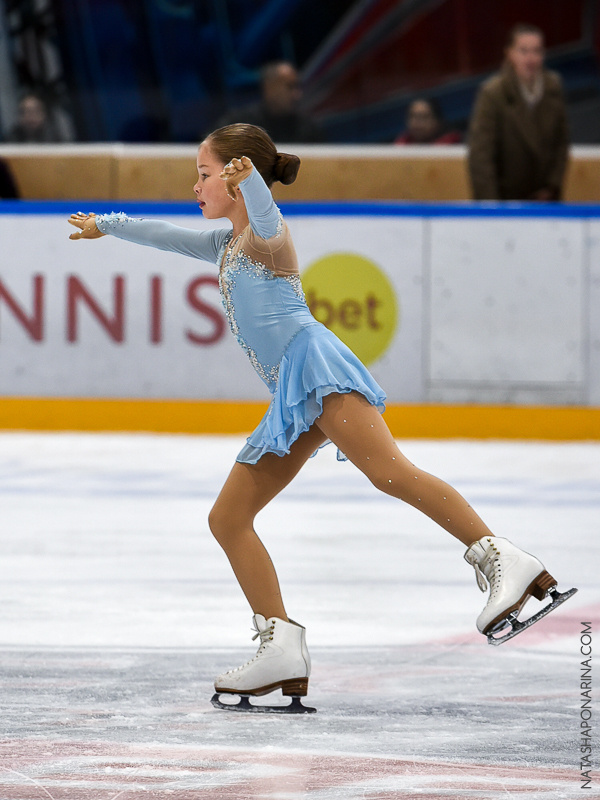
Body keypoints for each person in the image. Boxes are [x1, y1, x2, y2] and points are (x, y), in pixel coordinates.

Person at [68, 123, 572, 712]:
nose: (196, 185)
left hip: (316, 369)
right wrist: (109, 225)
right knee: (228, 518)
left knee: (391, 474)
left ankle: (504, 560)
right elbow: (166, 236)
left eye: (205, 174)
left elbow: (266, 214)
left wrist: (251, 180)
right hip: (292, 393)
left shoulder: (267, 240)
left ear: (235, 177)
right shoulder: (225, 246)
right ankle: (280, 644)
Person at [467, 23, 569, 201]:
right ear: (510, 54)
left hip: (545, 201)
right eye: (523, 51)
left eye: (536, 51)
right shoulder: (493, 93)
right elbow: (480, 157)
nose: (531, 59)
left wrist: (552, 187)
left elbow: (561, 143)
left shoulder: (553, 87)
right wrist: (492, 207)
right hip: (505, 202)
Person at [216, 62, 324, 143]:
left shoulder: (307, 129)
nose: (297, 94)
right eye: (290, 87)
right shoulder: (238, 124)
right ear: (269, 88)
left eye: (297, 87)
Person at [5, 93, 71, 144]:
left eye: (35, 111)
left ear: (43, 114)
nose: (30, 117)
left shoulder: (56, 138)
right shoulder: (12, 139)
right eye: (25, 112)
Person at [394, 97, 461, 144]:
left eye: (424, 117)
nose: (417, 123)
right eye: (412, 117)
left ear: (437, 121)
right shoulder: (402, 144)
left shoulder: (452, 145)